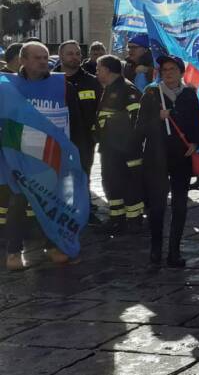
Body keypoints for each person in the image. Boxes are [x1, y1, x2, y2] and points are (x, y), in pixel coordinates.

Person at [2, 42, 82, 270]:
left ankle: (53, 245)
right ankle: (14, 252)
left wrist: (78, 156)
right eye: (37, 58)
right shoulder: (8, 87)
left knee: (55, 204)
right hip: (20, 159)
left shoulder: (62, 85)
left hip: (53, 158)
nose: (43, 62)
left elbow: (77, 123)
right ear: (23, 60)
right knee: (18, 203)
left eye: (45, 57)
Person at [136, 55, 199, 268]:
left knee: (180, 204)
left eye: (173, 69)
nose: (169, 73)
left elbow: (197, 125)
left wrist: (195, 143)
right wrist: (157, 117)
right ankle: (156, 248)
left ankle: (174, 250)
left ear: (181, 72)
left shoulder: (190, 95)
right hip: (156, 158)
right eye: (165, 69)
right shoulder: (151, 93)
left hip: (181, 158)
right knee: (157, 205)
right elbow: (139, 128)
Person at [94, 55, 145, 236]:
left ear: (107, 70)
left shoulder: (127, 89)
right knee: (111, 183)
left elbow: (137, 119)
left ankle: (134, 220)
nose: (97, 73)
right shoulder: (110, 88)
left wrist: (108, 124)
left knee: (130, 184)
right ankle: (117, 218)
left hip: (126, 150)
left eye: (98, 69)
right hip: (110, 149)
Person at [55, 41, 102, 197]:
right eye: (70, 54)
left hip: (84, 140)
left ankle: (84, 210)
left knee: (83, 176)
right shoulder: (49, 81)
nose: (74, 57)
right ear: (60, 55)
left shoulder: (92, 82)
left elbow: (100, 109)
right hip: (55, 140)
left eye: (77, 54)